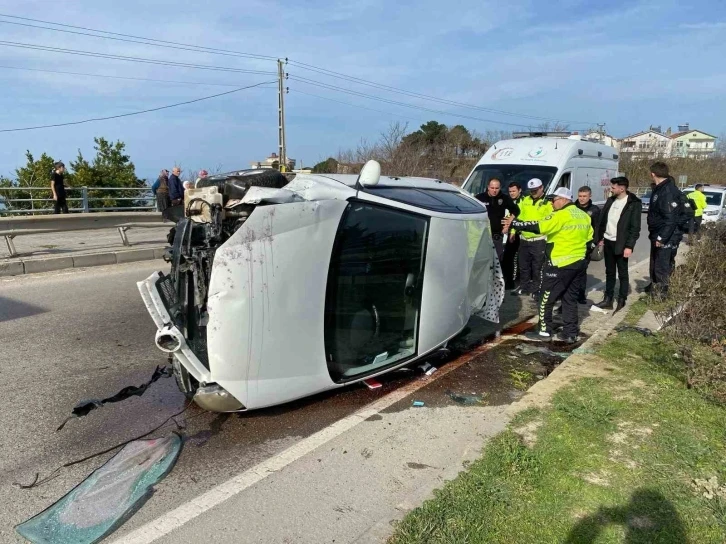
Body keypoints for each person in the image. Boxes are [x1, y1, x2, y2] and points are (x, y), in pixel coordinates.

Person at [503, 187, 593, 343]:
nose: (551, 203)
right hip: (578, 263)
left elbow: (538, 227)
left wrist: (515, 223)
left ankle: (545, 331)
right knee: (569, 299)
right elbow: (589, 237)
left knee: (545, 298)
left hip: (559, 263)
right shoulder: (583, 215)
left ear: (564, 199)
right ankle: (570, 333)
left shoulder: (560, 215)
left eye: (554, 200)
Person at [594, 177, 642, 313]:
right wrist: (601, 237)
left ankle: (621, 299)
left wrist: (629, 246)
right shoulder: (611, 200)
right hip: (608, 241)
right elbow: (604, 220)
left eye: (613, 187)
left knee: (622, 272)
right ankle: (608, 299)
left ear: (622, 188)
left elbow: (635, 228)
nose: (611, 189)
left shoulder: (633, 204)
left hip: (621, 243)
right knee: (609, 272)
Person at [645, 162, 689, 297]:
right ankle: (655, 287)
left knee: (662, 265)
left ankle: (661, 294)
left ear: (653, 174)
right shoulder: (661, 189)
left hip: (665, 235)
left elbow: (670, 219)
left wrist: (661, 238)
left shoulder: (667, 191)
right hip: (658, 232)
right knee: (657, 262)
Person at [511, 178, 553, 298]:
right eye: (531, 190)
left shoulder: (548, 202)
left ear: (541, 188)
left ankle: (536, 288)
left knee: (537, 266)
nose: (533, 192)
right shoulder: (525, 200)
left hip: (539, 240)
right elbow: (519, 216)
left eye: (535, 190)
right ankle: (524, 286)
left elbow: (549, 220)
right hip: (524, 239)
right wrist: (513, 231)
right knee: (523, 265)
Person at [475, 178, 519, 262]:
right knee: (483, 261)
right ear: (488, 187)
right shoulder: (480, 197)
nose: (494, 190)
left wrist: (508, 223)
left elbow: (516, 210)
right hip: (482, 236)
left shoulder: (504, 198)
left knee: (497, 261)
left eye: (497, 188)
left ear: (500, 188)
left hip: (497, 236)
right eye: (492, 188)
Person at [573, 186, 601, 304]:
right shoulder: (573, 208)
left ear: (590, 196)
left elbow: (598, 228)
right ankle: (569, 294)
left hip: (586, 245)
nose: (582, 199)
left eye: (584, 196)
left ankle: (580, 294)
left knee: (581, 270)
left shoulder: (594, 210)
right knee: (570, 271)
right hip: (572, 244)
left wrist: (594, 243)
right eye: (580, 196)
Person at [502, 181, 524, 289]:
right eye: (510, 191)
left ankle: (519, 282)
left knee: (521, 260)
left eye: (514, 191)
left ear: (519, 190)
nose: (512, 193)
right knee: (507, 258)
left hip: (521, 233)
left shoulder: (524, 201)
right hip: (510, 233)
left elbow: (522, 217)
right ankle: (509, 282)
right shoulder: (507, 200)